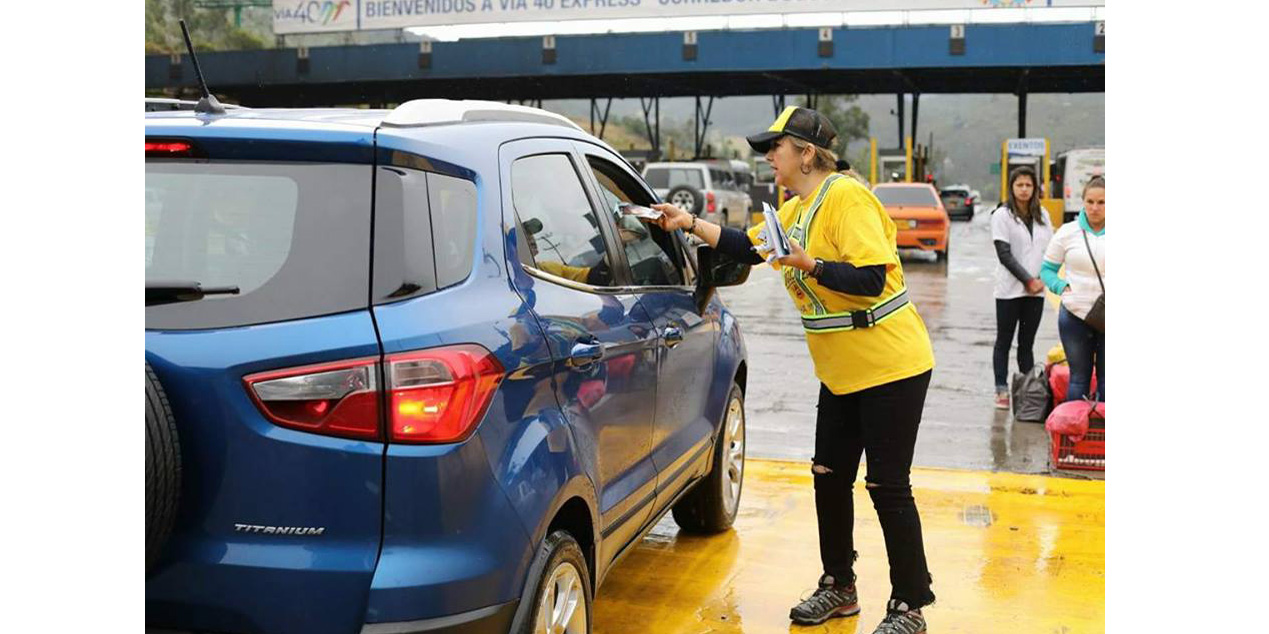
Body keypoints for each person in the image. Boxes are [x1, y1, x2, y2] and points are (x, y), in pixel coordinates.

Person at [648, 106, 936, 634]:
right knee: (828, 476)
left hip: (892, 367)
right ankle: (839, 586)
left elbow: (872, 278)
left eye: (775, 148)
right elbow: (747, 246)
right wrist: (686, 221)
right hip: (843, 372)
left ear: (806, 153)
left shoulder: (846, 197)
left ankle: (908, 605)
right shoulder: (798, 208)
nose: (768, 158)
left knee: (888, 486)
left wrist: (810, 265)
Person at [991, 166, 1055, 409]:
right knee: (1004, 341)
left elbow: (1050, 250)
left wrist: (1039, 280)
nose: (1024, 190)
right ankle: (1001, 389)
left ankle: (1028, 391)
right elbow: (1004, 254)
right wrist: (1028, 280)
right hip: (1009, 291)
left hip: (1036, 291)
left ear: (1035, 188)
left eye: (1029, 185)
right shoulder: (1002, 215)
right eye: (1020, 185)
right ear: (1012, 187)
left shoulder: (1044, 216)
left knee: (1027, 343)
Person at [1041, 175, 1105, 402]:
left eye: (1102, 202)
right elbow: (1047, 270)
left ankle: (1102, 435)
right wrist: (1061, 286)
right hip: (1074, 314)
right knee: (1079, 379)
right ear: (1083, 202)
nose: (1094, 208)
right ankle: (1075, 434)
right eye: (1090, 201)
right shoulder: (1068, 232)